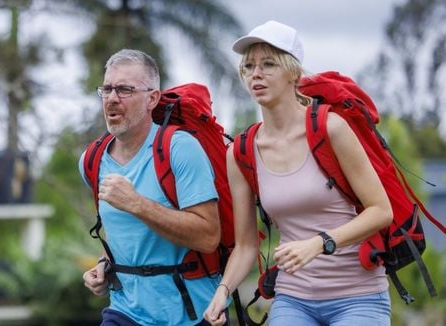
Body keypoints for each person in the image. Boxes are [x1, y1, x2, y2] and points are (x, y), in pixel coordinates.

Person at [203, 20, 393, 325]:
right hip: (293, 299)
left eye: (268, 64)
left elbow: (381, 211)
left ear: (293, 72)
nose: (256, 74)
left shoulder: (331, 129)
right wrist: (222, 292)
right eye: (249, 66)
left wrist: (320, 242)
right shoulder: (240, 151)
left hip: (358, 297)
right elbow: (247, 246)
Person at [79, 49, 225, 325]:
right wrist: (103, 263)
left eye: (124, 90)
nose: (112, 98)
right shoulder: (92, 160)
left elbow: (208, 237)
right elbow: (120, 231)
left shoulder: (180, 149)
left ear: (152, 98)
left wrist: (137, 204)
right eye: (107, 89)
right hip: (125, 311)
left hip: (192, 313)